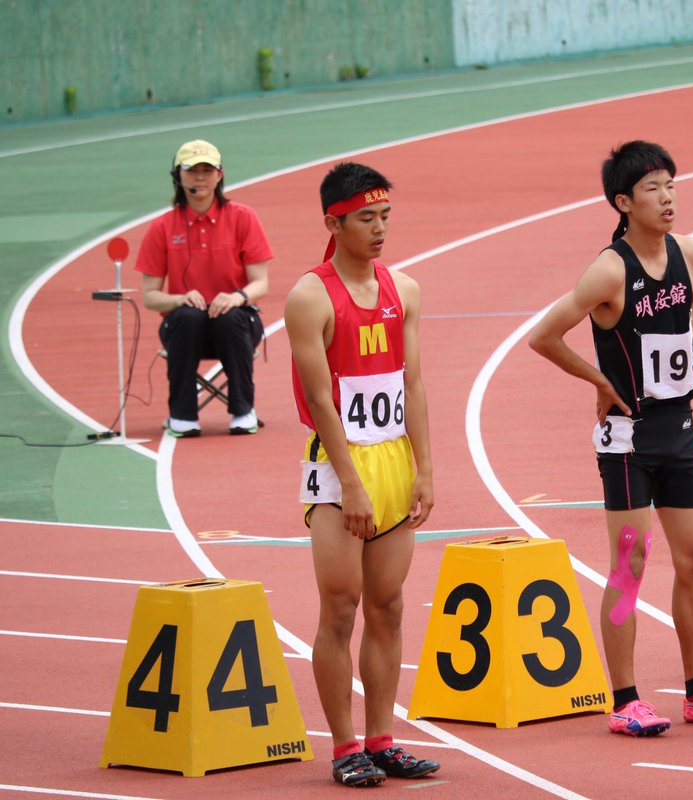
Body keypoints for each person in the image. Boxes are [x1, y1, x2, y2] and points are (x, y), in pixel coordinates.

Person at [529, 140, 693, 736]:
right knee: (631, 561)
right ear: (623, 202)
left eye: (671, 185)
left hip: (679, 428)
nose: (667, 197)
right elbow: (544, 336)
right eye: (653, 189)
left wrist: (690, 345)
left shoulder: (691, 254)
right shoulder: (610, 269)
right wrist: (600, 381)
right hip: (627, 438)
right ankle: (625, 698)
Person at [284, 162, 438, 785]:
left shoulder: (407, 289)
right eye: (365, 219)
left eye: (385, 217)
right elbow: (320, 401)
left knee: (390, 605)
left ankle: (382, 739)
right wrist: (349, 482)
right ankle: (345, 748)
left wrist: (425, 468)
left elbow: (414, 382)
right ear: (334, 222)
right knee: (340, 608)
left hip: (394, 458)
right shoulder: (310, 297)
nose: (379, 230)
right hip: (337, 464)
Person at [135, 139, 271, 437]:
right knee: (188, 316)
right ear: (177, 175)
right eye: (192, 170)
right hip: (185, 329)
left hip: (237, 324)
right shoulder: (162, 227)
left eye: (207, 169)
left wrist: (238, 297)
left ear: (219, 174)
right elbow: (149, 297)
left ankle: (243, 410)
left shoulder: (242, 217)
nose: (200, 177)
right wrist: (180, 298)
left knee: (229, 317)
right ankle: (182, 416)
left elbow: (261, 282)